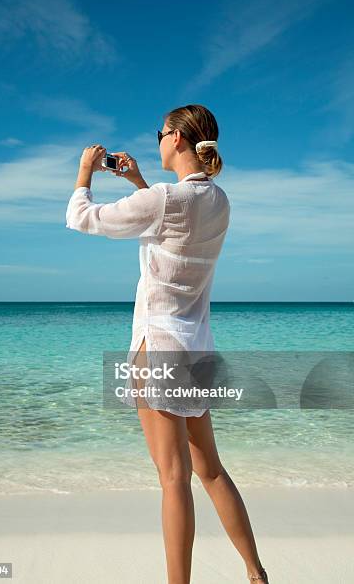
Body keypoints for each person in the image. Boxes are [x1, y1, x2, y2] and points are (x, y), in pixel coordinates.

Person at [65, 104, 269, 583]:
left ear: (176, 137)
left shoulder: (163, 199)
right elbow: (170, 225)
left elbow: (82, 218)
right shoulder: (218, 201)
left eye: (160, 133)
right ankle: (257, 575)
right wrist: (138, 183)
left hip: (157, 346)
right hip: (196, 350)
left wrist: (84, 171)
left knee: (174, 479)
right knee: (211, 472)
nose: (157, 139)